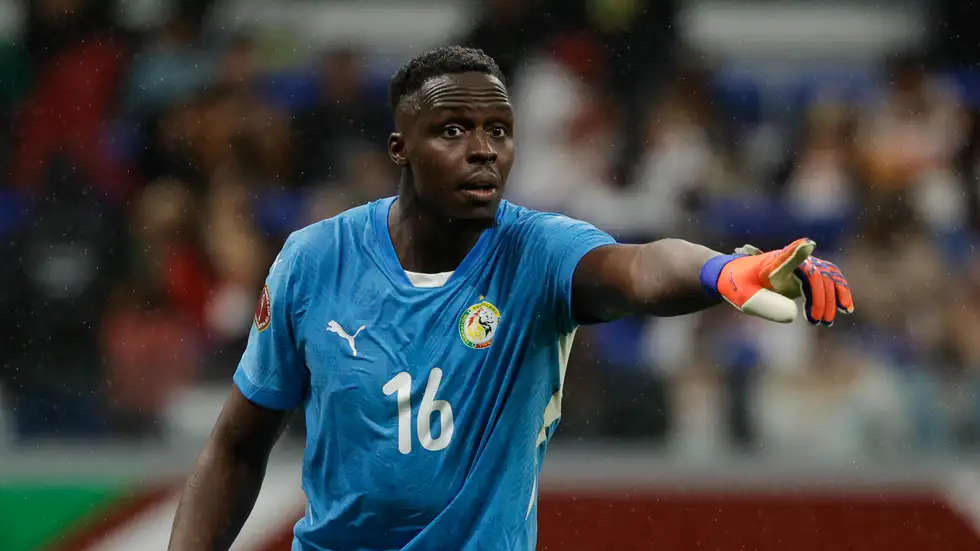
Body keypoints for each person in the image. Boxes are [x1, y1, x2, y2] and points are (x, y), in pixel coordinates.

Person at [167, 46, 854, 551]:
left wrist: (721, 274)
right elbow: (235, 446)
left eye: (498, 131)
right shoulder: (315, 261)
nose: (483, 150)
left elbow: (641, 267)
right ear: (400, 148)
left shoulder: (539, 252)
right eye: (452, 131)